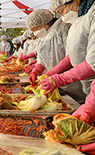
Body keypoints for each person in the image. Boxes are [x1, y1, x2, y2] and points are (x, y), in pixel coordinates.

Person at [40, 2, 95, 153]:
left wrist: (60, 79)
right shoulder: (80, 20)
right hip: (88, 85)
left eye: (61, 10)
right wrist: (91, 102)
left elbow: (92, 63)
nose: (62, 15)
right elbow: (73, 55)